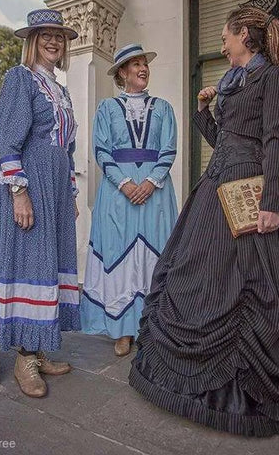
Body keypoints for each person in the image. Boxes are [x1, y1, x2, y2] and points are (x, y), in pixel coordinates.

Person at [129, 6, 279, 436]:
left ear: (243, 35)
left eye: (225, 37)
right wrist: (205, 111)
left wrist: (271, 201)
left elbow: (273, 140)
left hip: (247, 189)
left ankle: (245, 395)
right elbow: (224, 141)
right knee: (193, 273)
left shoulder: (272, 77)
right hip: (215, 185)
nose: (221, 45)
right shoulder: (235, 81)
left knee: (250, 284)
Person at [0, 9, 81, 398]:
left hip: (56, 185)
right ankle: (24, 359)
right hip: (31, 181)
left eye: (58, 35)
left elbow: (68, 147)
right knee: (31, 258)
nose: (53, 41)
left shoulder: (62, 89)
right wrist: (18, 191)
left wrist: (71, 192)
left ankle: (38, 347)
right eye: (45, 35)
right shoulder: (20, 79)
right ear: (32, 41)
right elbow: (7, 139)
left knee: (49, 261)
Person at [80, 44, 178, 356]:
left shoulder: (163, 108)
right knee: (120, 255)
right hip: (117, 193)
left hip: (156, 193)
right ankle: (122, 330)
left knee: (154, 256)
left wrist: (151, 181)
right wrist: (124, 183)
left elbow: (169, 148)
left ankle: (152, 328)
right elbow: (101, 150)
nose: (143, 68)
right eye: (135, 64)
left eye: (144, 64)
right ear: (123, 72)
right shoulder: (107, 109)